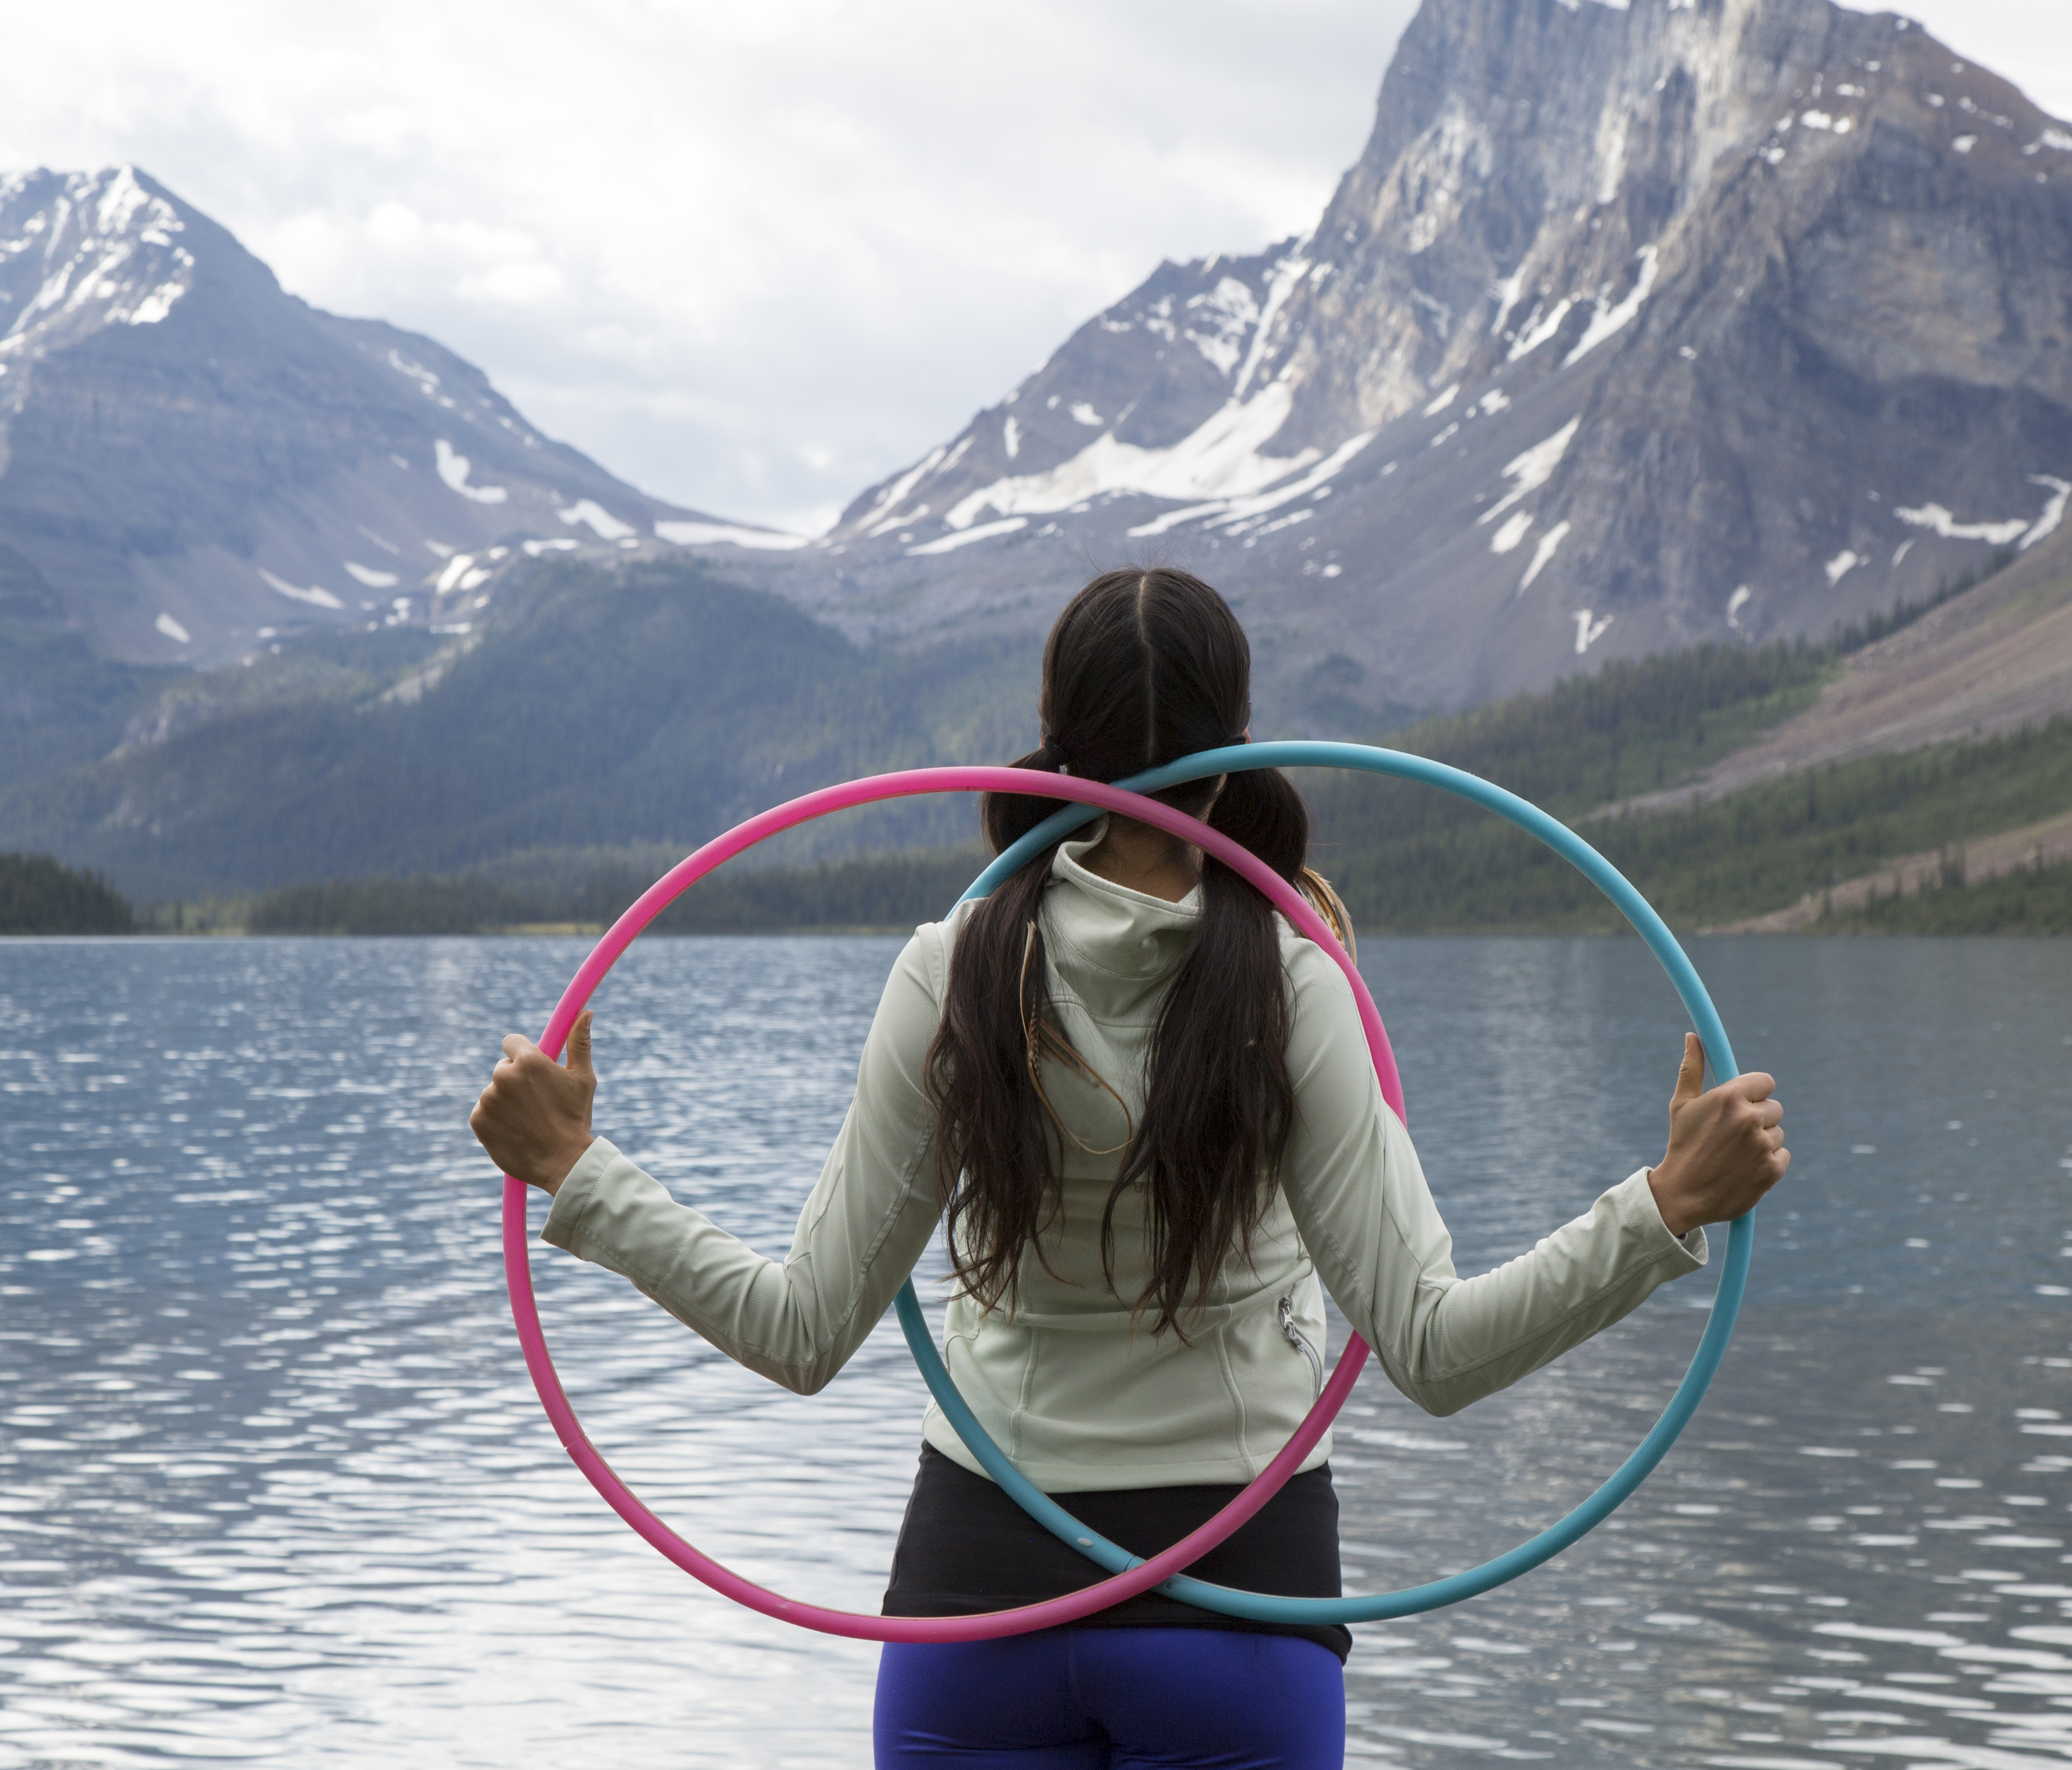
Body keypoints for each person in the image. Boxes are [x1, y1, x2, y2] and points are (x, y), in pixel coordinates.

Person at [471, 565, 1789, 1770]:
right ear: (1236, 747)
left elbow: (802, 1327)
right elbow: (1436, 1350)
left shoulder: (955, 967)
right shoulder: (1293, 978)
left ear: (1060, 737)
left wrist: (580, 1173)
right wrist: (1665, 1206)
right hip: (1240, 1616)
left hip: (973, 1623)